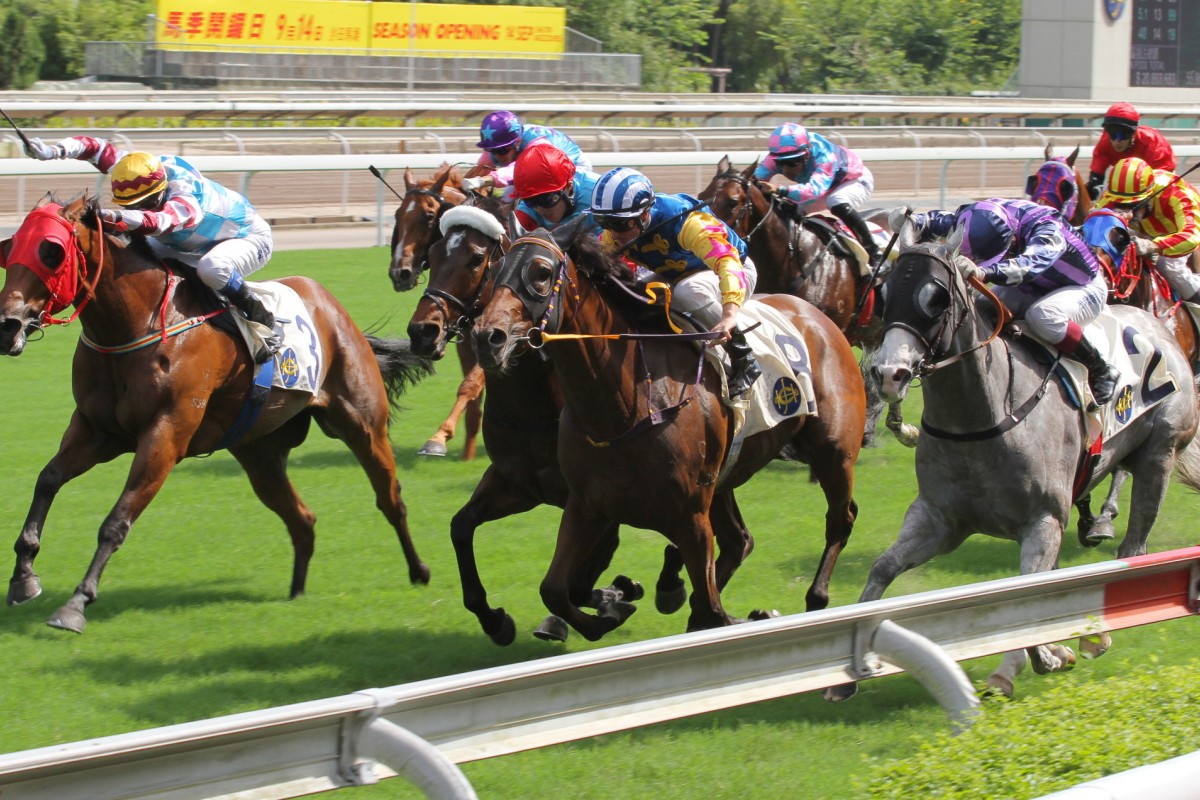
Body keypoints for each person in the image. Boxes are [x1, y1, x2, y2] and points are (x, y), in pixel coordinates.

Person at [23, 134, 281, 361]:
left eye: (145, 203)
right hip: (187, 243)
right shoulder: (136, 168)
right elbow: (94, 147)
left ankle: (261, 318)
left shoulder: (186, 194)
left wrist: (107, 216)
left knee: (212, 269)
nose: (139, 209)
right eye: (131, 205)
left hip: (246, 237)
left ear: (161, 189)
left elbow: (158, 222)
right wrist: (50, 151)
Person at [903, 198, 1120, 405]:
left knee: (1042, 316)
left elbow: (1028, 264)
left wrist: (985, 272)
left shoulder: (1048, 228)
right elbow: (947, 221)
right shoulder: (983, 214)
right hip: (1033, 284)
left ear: (1012, 239)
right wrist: (912, 222)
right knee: (981, 308)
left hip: (1082, 286)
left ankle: (1101, 369)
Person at [589, 167, 761, 398]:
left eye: (620, 224)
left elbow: (727, 262)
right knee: (634, 294)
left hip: (733, 270)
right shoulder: (615, 232)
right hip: (677, 274)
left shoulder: (687, 222)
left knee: (688, 291)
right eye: (604, 222)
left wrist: (729, 315)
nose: (613, 232)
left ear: (644, 215)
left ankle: (744, 356)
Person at [755, 122, 880, 267]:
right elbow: (754, 180)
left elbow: (814, 190)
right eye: (780, 163)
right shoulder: (776, 156)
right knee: (788, 210)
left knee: (836, 201)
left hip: (853, 180)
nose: (785, 169)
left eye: (792, 163)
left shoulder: (824, 154)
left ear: (806, 154)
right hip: (822, 186)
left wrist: (780, 190)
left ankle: (874, 251)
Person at [1095, 156, 1200, 304]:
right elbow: (1093, 224)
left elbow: (1192, 236)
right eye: (1120, 205)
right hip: (1143, 232)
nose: (1128, 212)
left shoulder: (1177, 193)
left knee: (1168, 267)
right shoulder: (1112, 195)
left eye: (1134, 205)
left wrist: (1154, 245)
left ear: (1150, 195)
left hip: (1180, 233)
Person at [465, 110, 592, 196]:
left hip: (574, 168)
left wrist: (484, 180)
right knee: (506, 202)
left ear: (517, 142)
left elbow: (518, 171)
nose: (497, 156)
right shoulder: (498, 143)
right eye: (492, 150)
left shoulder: (536, 144)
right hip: (540, 170)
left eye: (502, 150)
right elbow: (478, 171)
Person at [1086, 102, 1176, 201]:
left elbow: (1160, 181)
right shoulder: (1105, 142)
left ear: (1133, 134)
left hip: (1158, 177)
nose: (1116, 142)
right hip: (1128, 177)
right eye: (1112, 135)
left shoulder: (1152, 143)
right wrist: (1093, 185)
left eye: (1122, 136)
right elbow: (1097, 172)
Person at [511, 144, 601, 235]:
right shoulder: (531, 204)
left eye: (546, 200)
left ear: (568, 187)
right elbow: (513, 240)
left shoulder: (598, 197)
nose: (540, 209)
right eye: (530, 201)